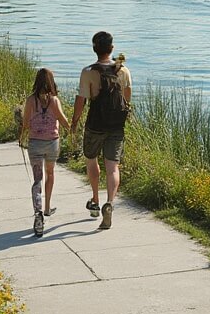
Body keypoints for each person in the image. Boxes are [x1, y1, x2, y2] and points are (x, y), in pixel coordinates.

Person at [69, 31, 132, 230]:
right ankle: (110, 203)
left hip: (95, 123)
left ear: (94, 49)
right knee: (113, 167)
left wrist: (74, 122)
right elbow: (127, 98)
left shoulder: (88, 72)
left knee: (91, 160)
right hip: (116, 125)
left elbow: (81, 100)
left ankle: (95, 198)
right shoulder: (123, 70)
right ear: (111, 48)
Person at [20, 68, 71, 237]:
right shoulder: (54, 101)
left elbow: (26, 123)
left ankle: (38, 213)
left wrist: (21, 137)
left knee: (37, 179)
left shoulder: (30, 101)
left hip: (35, 144)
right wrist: (73, 131)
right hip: (52, 144)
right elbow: (63, 120)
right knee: (50, 173)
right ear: (51, 82)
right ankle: (48, 207)